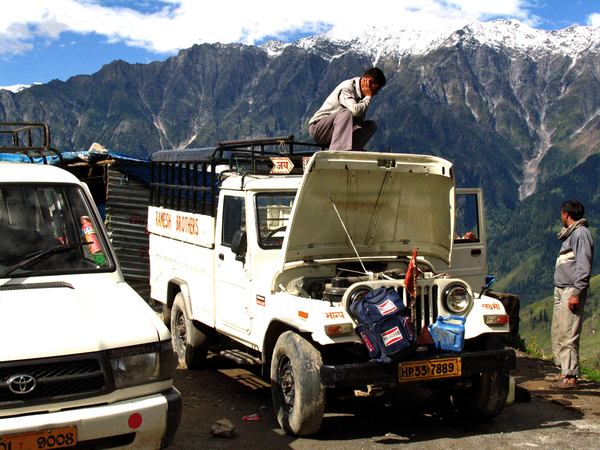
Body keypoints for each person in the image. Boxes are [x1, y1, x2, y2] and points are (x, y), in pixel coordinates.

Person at [549, 199, 594, 390]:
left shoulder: (581, 234)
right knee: (558, 331)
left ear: (566, 214)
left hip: (570, 290)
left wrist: (577, 291)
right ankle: (562, 369)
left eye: (561, 214)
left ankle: (570, 376)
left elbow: (584, 265)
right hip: (561, 289)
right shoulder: (570, 234)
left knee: (568, 333)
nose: (561, 217)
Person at [309, 67, 386, 151]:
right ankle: (337, 155)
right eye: (377, 88)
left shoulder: (362, 97)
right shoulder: (347, 88)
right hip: (319, 130)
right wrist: (368, 97)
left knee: (371, 126)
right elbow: (355, 111)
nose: (376, 93)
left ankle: (351, 152)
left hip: (339, 134)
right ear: (370, 81)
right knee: (347, 112)